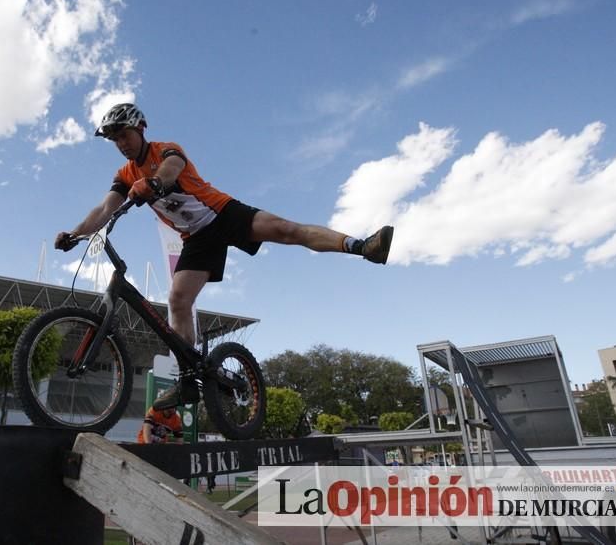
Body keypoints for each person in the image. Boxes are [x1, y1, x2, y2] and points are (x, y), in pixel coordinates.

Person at [56, 103, 394, 410]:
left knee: (287, 230)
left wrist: (155, 183)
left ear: (140, 128)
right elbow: (104, 208)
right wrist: (75, 234)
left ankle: (363, 246)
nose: (122, 144)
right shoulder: (124, 175)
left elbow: (172, 169)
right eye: (115, 140)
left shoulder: (165, 150)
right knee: (177, 299)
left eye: (124, 135)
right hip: (198, 239)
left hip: (222, 212)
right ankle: (188, 382)